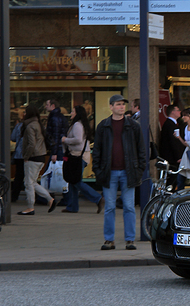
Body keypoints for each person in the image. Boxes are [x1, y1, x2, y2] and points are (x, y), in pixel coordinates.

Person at [93, 94, 146, 251]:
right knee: (109, 207)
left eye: (123, 104)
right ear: (111, 107)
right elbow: (97, 150)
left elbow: (141, 149)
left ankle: (130, 240)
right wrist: (97, 170)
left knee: (129, 207)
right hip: (109, 172)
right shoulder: (103, 126)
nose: (121, 107)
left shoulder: (133, 126)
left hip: (128, 172)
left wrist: (139, 168)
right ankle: (109, 240)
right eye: (118, 104)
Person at [61, 105, 105, 213]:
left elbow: (78, 140)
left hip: (77, 156)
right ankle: (72, 206)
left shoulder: (77, 125)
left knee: (76, 181)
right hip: (79, 156)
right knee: (72, 181)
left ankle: (98, 198)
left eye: (73, 111)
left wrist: (65, 140)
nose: (71, 113)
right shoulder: (81, 124)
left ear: (77, 113)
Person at [19, 104, 56, 215]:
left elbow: (31, 143)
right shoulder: (38, 124)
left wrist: (26, 156)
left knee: (28, 184)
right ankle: (50, 199)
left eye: (25, 112)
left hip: (33, 157)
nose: (24, 114)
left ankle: (30, 207)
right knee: (32, 182)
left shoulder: (30, 126)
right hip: (40, 156)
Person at [45, 98, 69, 205]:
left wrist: (54, 152)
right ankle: (56, 196)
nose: (45, 106)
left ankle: (49, 197)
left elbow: (55, 135)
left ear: (53, 106)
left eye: (47, 104)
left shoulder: (54, 118)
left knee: (54, 172)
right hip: (59, 148)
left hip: (57, 149)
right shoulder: (59, 117)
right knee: (58, 172)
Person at [160, 104, 185, 189]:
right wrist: (178, 156)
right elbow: (173, 142)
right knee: (171, 181)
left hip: (170, 157)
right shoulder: (170, 125)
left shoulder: (171, 124)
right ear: (173, 112)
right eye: (178, 110)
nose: (180, 112)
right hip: (171, 158)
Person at [10, 118, 25, 203]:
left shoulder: (19, 126)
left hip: (19, 154)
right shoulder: (36, 124)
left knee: (18, 176)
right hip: (31, 155)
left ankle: (14, 196)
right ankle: (37, 196)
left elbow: (13, 138)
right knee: (31, 177)